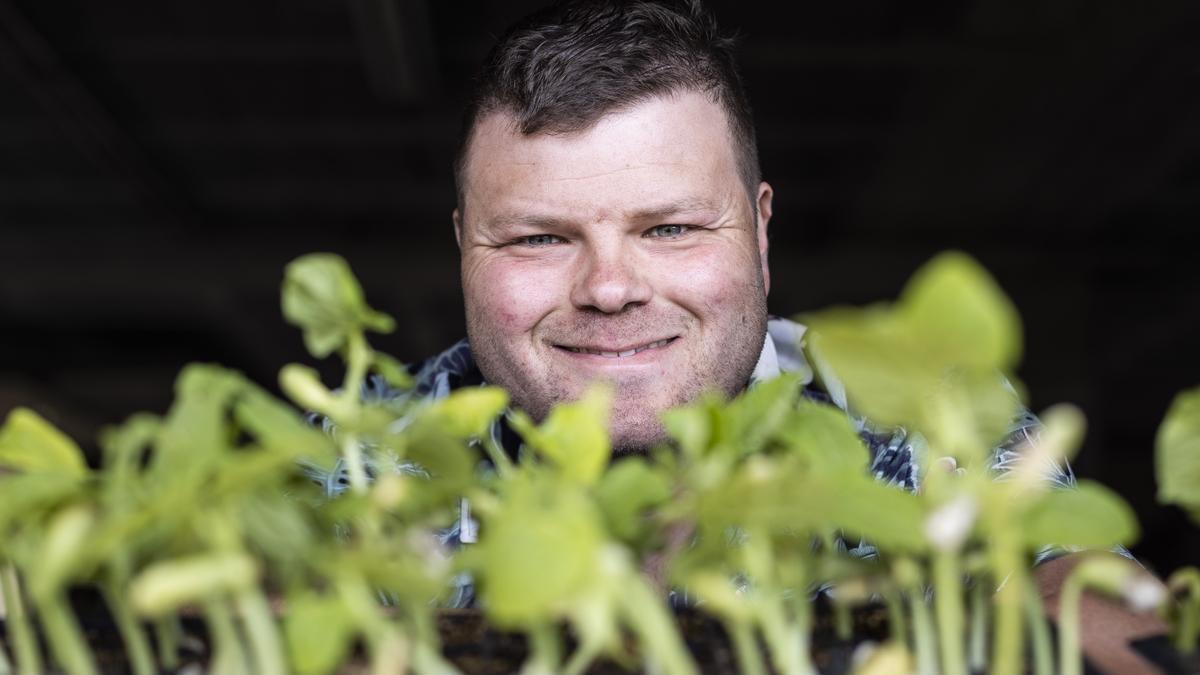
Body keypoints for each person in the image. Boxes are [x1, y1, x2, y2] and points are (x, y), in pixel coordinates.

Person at [361, 0, 1168, 670]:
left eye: (671, 227)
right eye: (539, 238)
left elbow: (1075, 585)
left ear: (760, 231)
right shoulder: (359, 452)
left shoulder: (910, 409)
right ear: (464, 244)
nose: (609, 288)